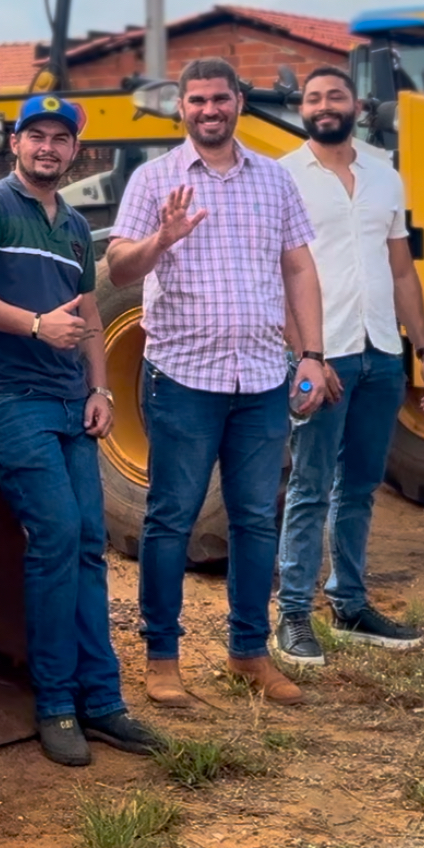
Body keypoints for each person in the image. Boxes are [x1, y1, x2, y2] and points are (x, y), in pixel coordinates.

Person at [0, 95, 162, 765]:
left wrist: (100, 387)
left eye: (59, 138)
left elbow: (91, 316)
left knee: (90, 543)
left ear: (75, 150)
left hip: (68, 401)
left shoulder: (72, 225)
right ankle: (55, 703)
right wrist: (34, 325)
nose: (47, 147)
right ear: (15, 143)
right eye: (35, 135)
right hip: (4, 397)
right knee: (57, 533)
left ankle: (102, 699)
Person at [107, 56, 327, 708]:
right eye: (196, 100)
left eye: (219, 98)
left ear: (237, 102)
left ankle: (247, 652)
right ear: (181, 108)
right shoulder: (154, 180)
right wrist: (161, 240)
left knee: (255, 518)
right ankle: (161, 656)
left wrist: (310, 353)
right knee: (170, 517)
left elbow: (297, 270)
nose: (209, 110)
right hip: (181, 378)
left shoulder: (275, 182)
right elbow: (118, 266)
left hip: (260, 378)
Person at [275, 66, 424, 663]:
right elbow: (277, 274)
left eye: (334, 95)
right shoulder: (284, 177)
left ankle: (349, 604)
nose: (323, 105)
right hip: (323, 351)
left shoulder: (382, 174)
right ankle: (292, 614)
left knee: (360, 486)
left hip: (381, 354)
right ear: (303, 109)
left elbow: (400, 271)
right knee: (310, 485)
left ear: (357, 105)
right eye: (313, 98)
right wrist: (303, 354)